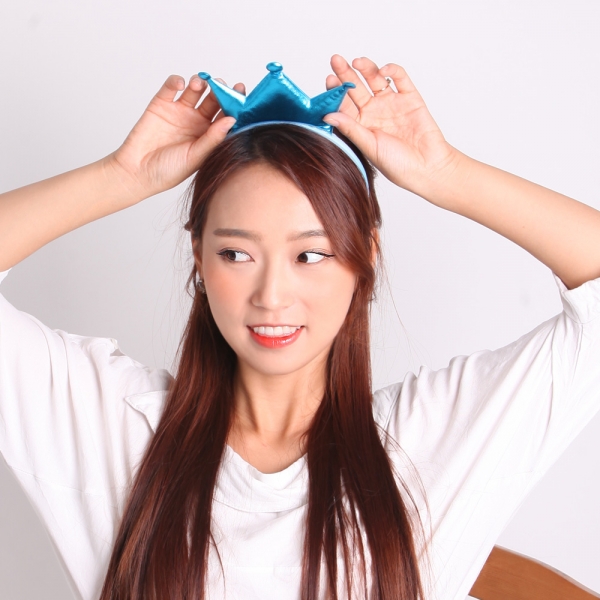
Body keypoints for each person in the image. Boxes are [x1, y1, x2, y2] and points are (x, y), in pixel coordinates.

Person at [0, 54, 598, 600]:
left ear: (365, 258)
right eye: (236, 254)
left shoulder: (432, 441)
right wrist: (122, 175)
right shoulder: (113, 427)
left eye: (310, 255)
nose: (272, 296)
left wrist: (446, 172)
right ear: (199, 259)